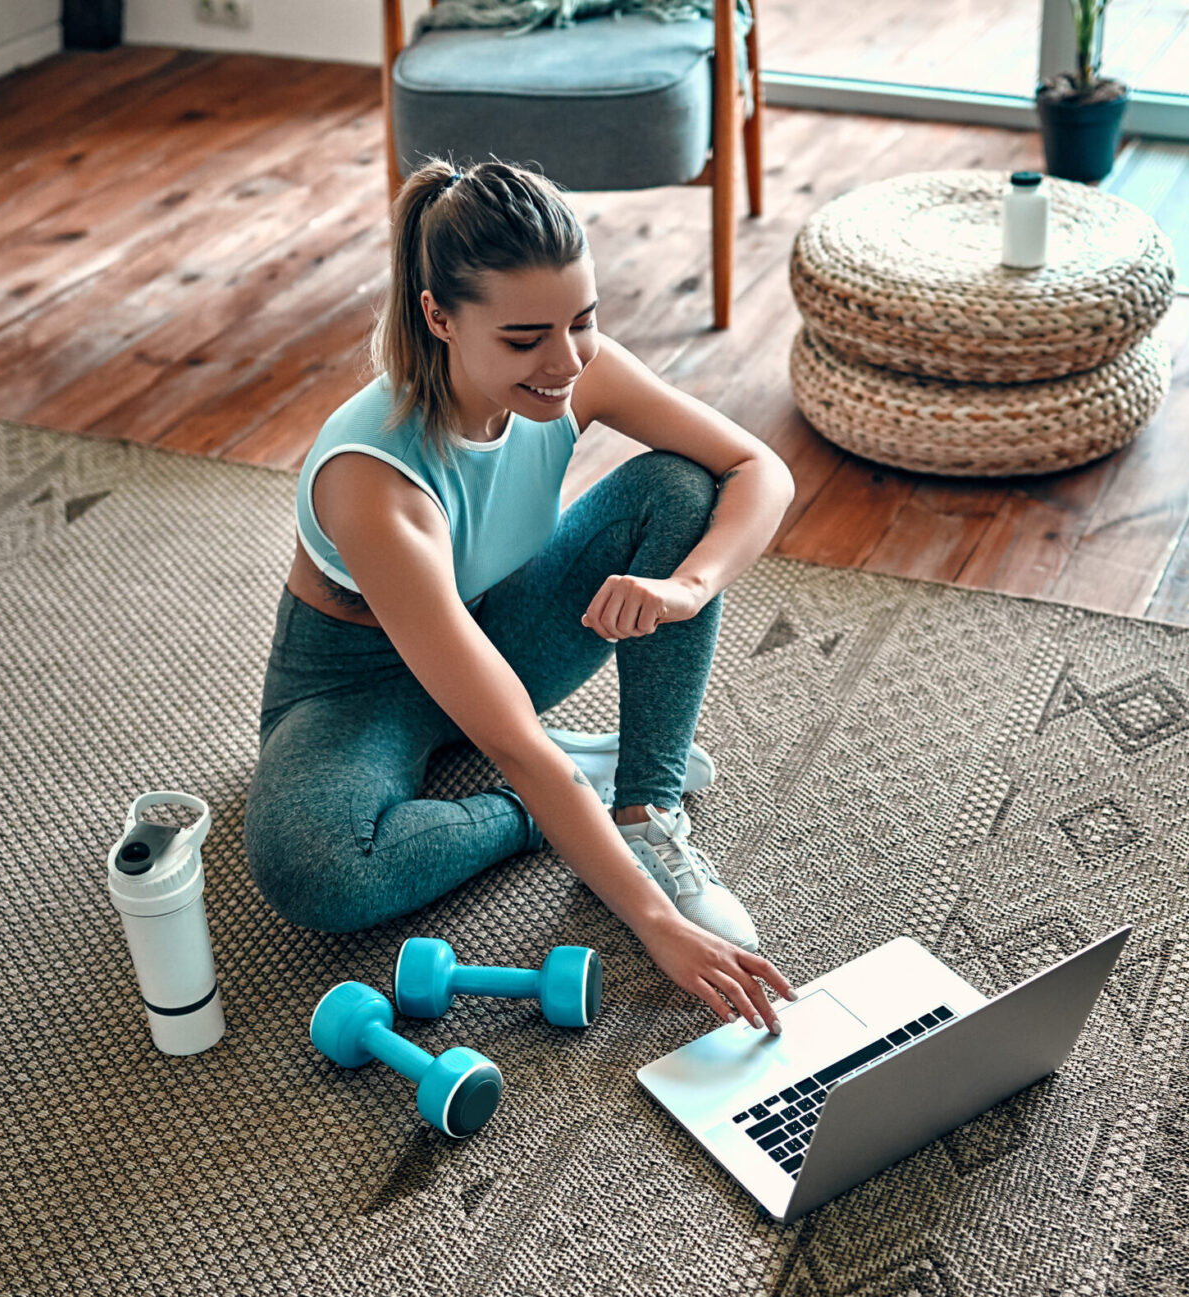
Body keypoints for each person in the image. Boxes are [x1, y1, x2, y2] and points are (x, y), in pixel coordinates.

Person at [245, 158, 797, 1033]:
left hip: (493, 624)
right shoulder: (373, 479)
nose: (566, 360)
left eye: (583, 321)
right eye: (525, 338)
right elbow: (510, 738)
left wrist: (689, 588)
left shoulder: (576, 370)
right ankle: (557, 803)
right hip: (353, 682)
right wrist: (654, 926)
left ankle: (643, 801)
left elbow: (756, 468)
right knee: (317, 866)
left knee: (680, 492)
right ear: (439, 316)